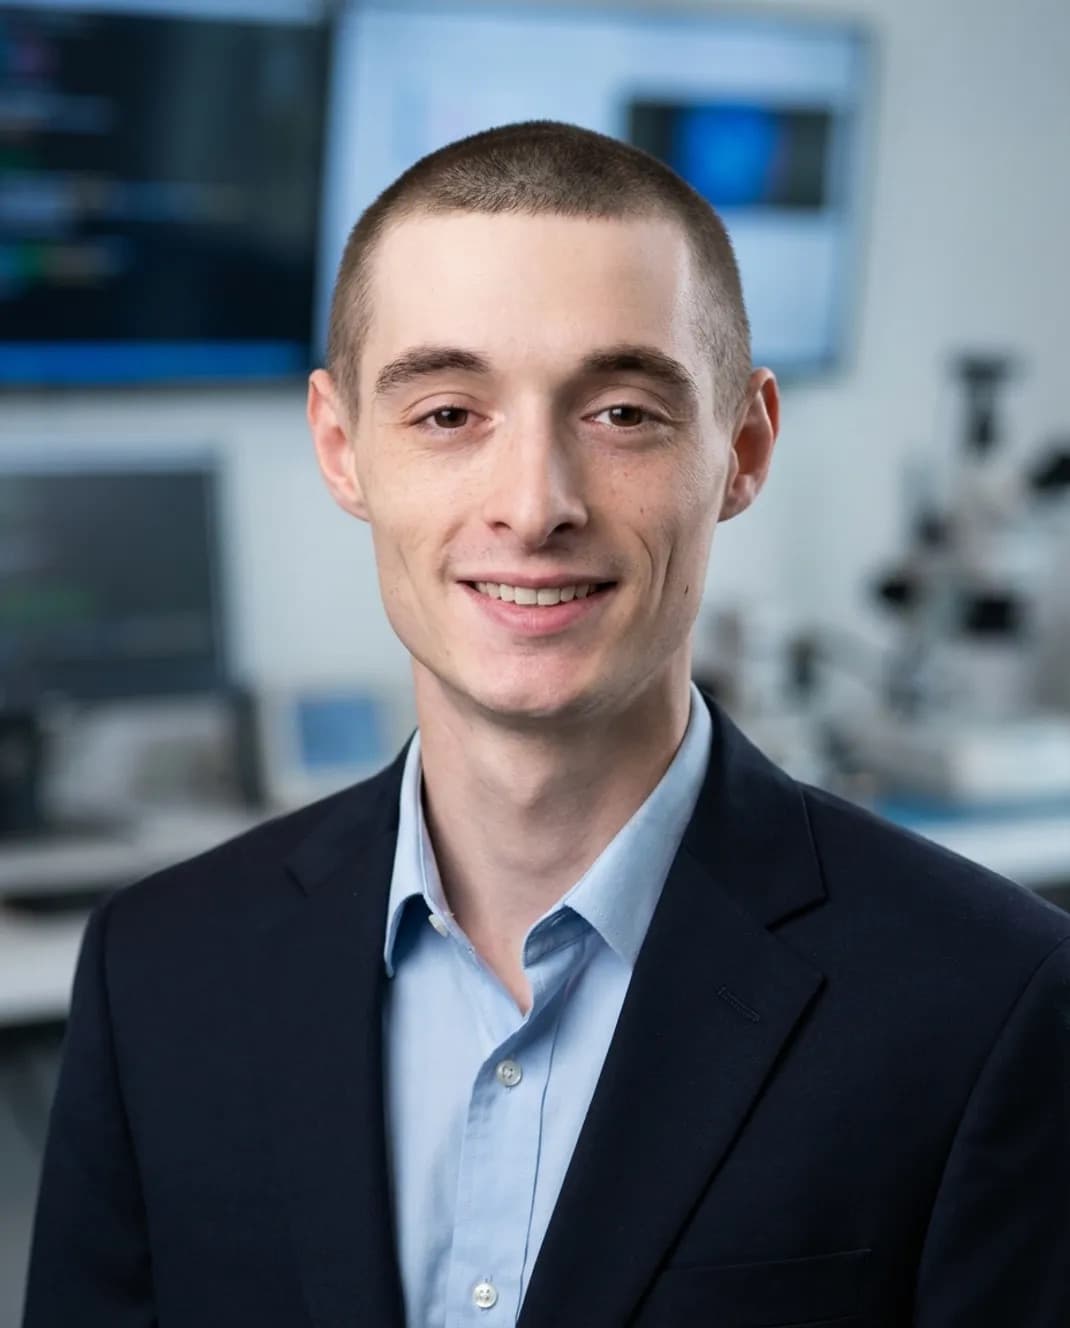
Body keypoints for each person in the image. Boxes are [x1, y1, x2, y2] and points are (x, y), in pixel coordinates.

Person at [22, 121, 1070, 1328]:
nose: (533, 506)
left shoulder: (988, 1001)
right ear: (341, 446)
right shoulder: (156, 973)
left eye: (621, 412)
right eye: (448, 412)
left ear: (741, 446)